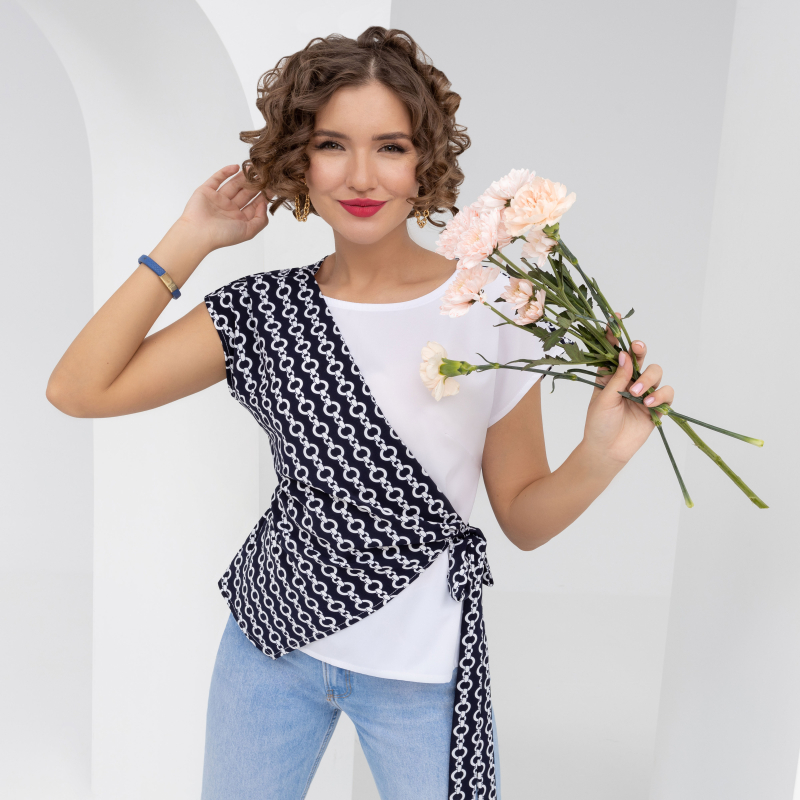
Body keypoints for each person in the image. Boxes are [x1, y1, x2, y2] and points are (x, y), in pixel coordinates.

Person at [46, 26, 673, 800]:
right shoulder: (263, 312)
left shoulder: (491, 306)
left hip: (420, 675)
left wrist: (601, 455)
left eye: (390, 147)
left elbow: (522, 517)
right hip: (271, 645)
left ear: (424, 161)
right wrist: (191, 238)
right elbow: (78, 389)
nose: (362, 175)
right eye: (332, 145)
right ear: (297, 160)